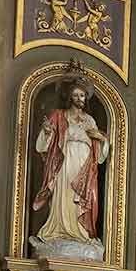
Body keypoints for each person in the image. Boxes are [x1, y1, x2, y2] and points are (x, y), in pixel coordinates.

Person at [32, 81, 109, 253]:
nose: (79, 98)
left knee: (81, 198)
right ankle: (58, 230)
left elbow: (100, 150)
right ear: (70, 97)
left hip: (85, 164)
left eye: (82, 95)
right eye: (76, 95)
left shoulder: (90, 120)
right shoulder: (59, 115)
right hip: (64, 160)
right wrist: (46, 132)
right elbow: (45, 144)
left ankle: (80, 232)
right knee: (63, 194)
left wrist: (101, 139)